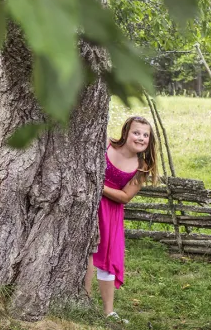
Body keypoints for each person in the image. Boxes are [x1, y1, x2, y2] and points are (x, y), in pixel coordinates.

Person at [85, 115, 159, 323]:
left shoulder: (141, 167)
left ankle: (108, 311)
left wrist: (99, 185)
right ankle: (85, 299)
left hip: (110, 211)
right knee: (88, 253)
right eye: (136, 132)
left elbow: (125, 196)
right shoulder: (107, 145)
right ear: (126, 132)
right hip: (89, 204)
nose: (140, 138)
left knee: (107, 258)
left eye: (145, 135)